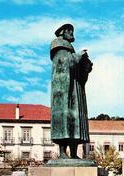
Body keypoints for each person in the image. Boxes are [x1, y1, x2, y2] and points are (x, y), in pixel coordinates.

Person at [50, 23, 93, 159]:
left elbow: (76, 69)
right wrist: (79, 55)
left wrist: (86, 66)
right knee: (65, 118)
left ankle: (74, 154)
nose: (71, 32)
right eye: (69, 30)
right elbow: (67, 64)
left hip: (75, 88)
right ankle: (63, 153)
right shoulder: (59, 46)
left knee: (75, 119)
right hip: (64, 90)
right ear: (62, 32)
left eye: (72, 30)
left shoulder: (69, 49)